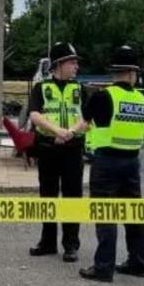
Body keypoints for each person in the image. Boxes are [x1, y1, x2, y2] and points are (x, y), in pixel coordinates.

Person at [79, 45, 144, 283]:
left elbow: (84, 123)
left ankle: (103, 267)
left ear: (115, 72)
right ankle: (138, 262)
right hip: (132, 163)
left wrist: (65, 134)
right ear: (132, 73)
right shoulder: (141, 99)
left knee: (105, 214)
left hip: (107, 162)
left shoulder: (103, 96)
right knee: (134, 214)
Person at [27, 42, 89, 262]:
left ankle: (71, 245)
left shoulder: (79, 89)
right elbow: (35, 115)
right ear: (58, 64)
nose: (76, 67)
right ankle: (48, 242)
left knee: (72, 197)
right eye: (72, 62)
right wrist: (57, 131)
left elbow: (86, 119)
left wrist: (70, 132)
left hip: (72, 150)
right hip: (48, 149)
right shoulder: (41, 88)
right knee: (48, 196)